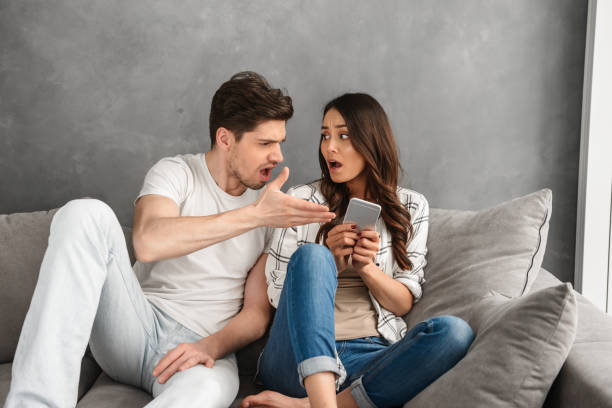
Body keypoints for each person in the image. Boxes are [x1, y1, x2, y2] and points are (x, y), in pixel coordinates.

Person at [4, 72, 335, 408]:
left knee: (206, 393)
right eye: (265, 144)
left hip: (201, 347)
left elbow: (256, 314)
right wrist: (254, 216)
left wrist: (210, 347)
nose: (278, 156)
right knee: (84, 214)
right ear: (225, 139)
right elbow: (148, 242)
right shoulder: (176, 173)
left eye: (280, 142)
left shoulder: (271, 211)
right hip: (134, 326)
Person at [242, 93, 475, 408]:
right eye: (325, 135)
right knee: (314, 256)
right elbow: (279, 295)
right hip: (295, 359)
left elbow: (403, 301)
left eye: (343, 135)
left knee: (455, 332)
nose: (329, 147)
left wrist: (367, 268)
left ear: (371, 142)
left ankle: (309, 405)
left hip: (368, 356)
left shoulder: (411, 206)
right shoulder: (301, 199)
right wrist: (331, 262)